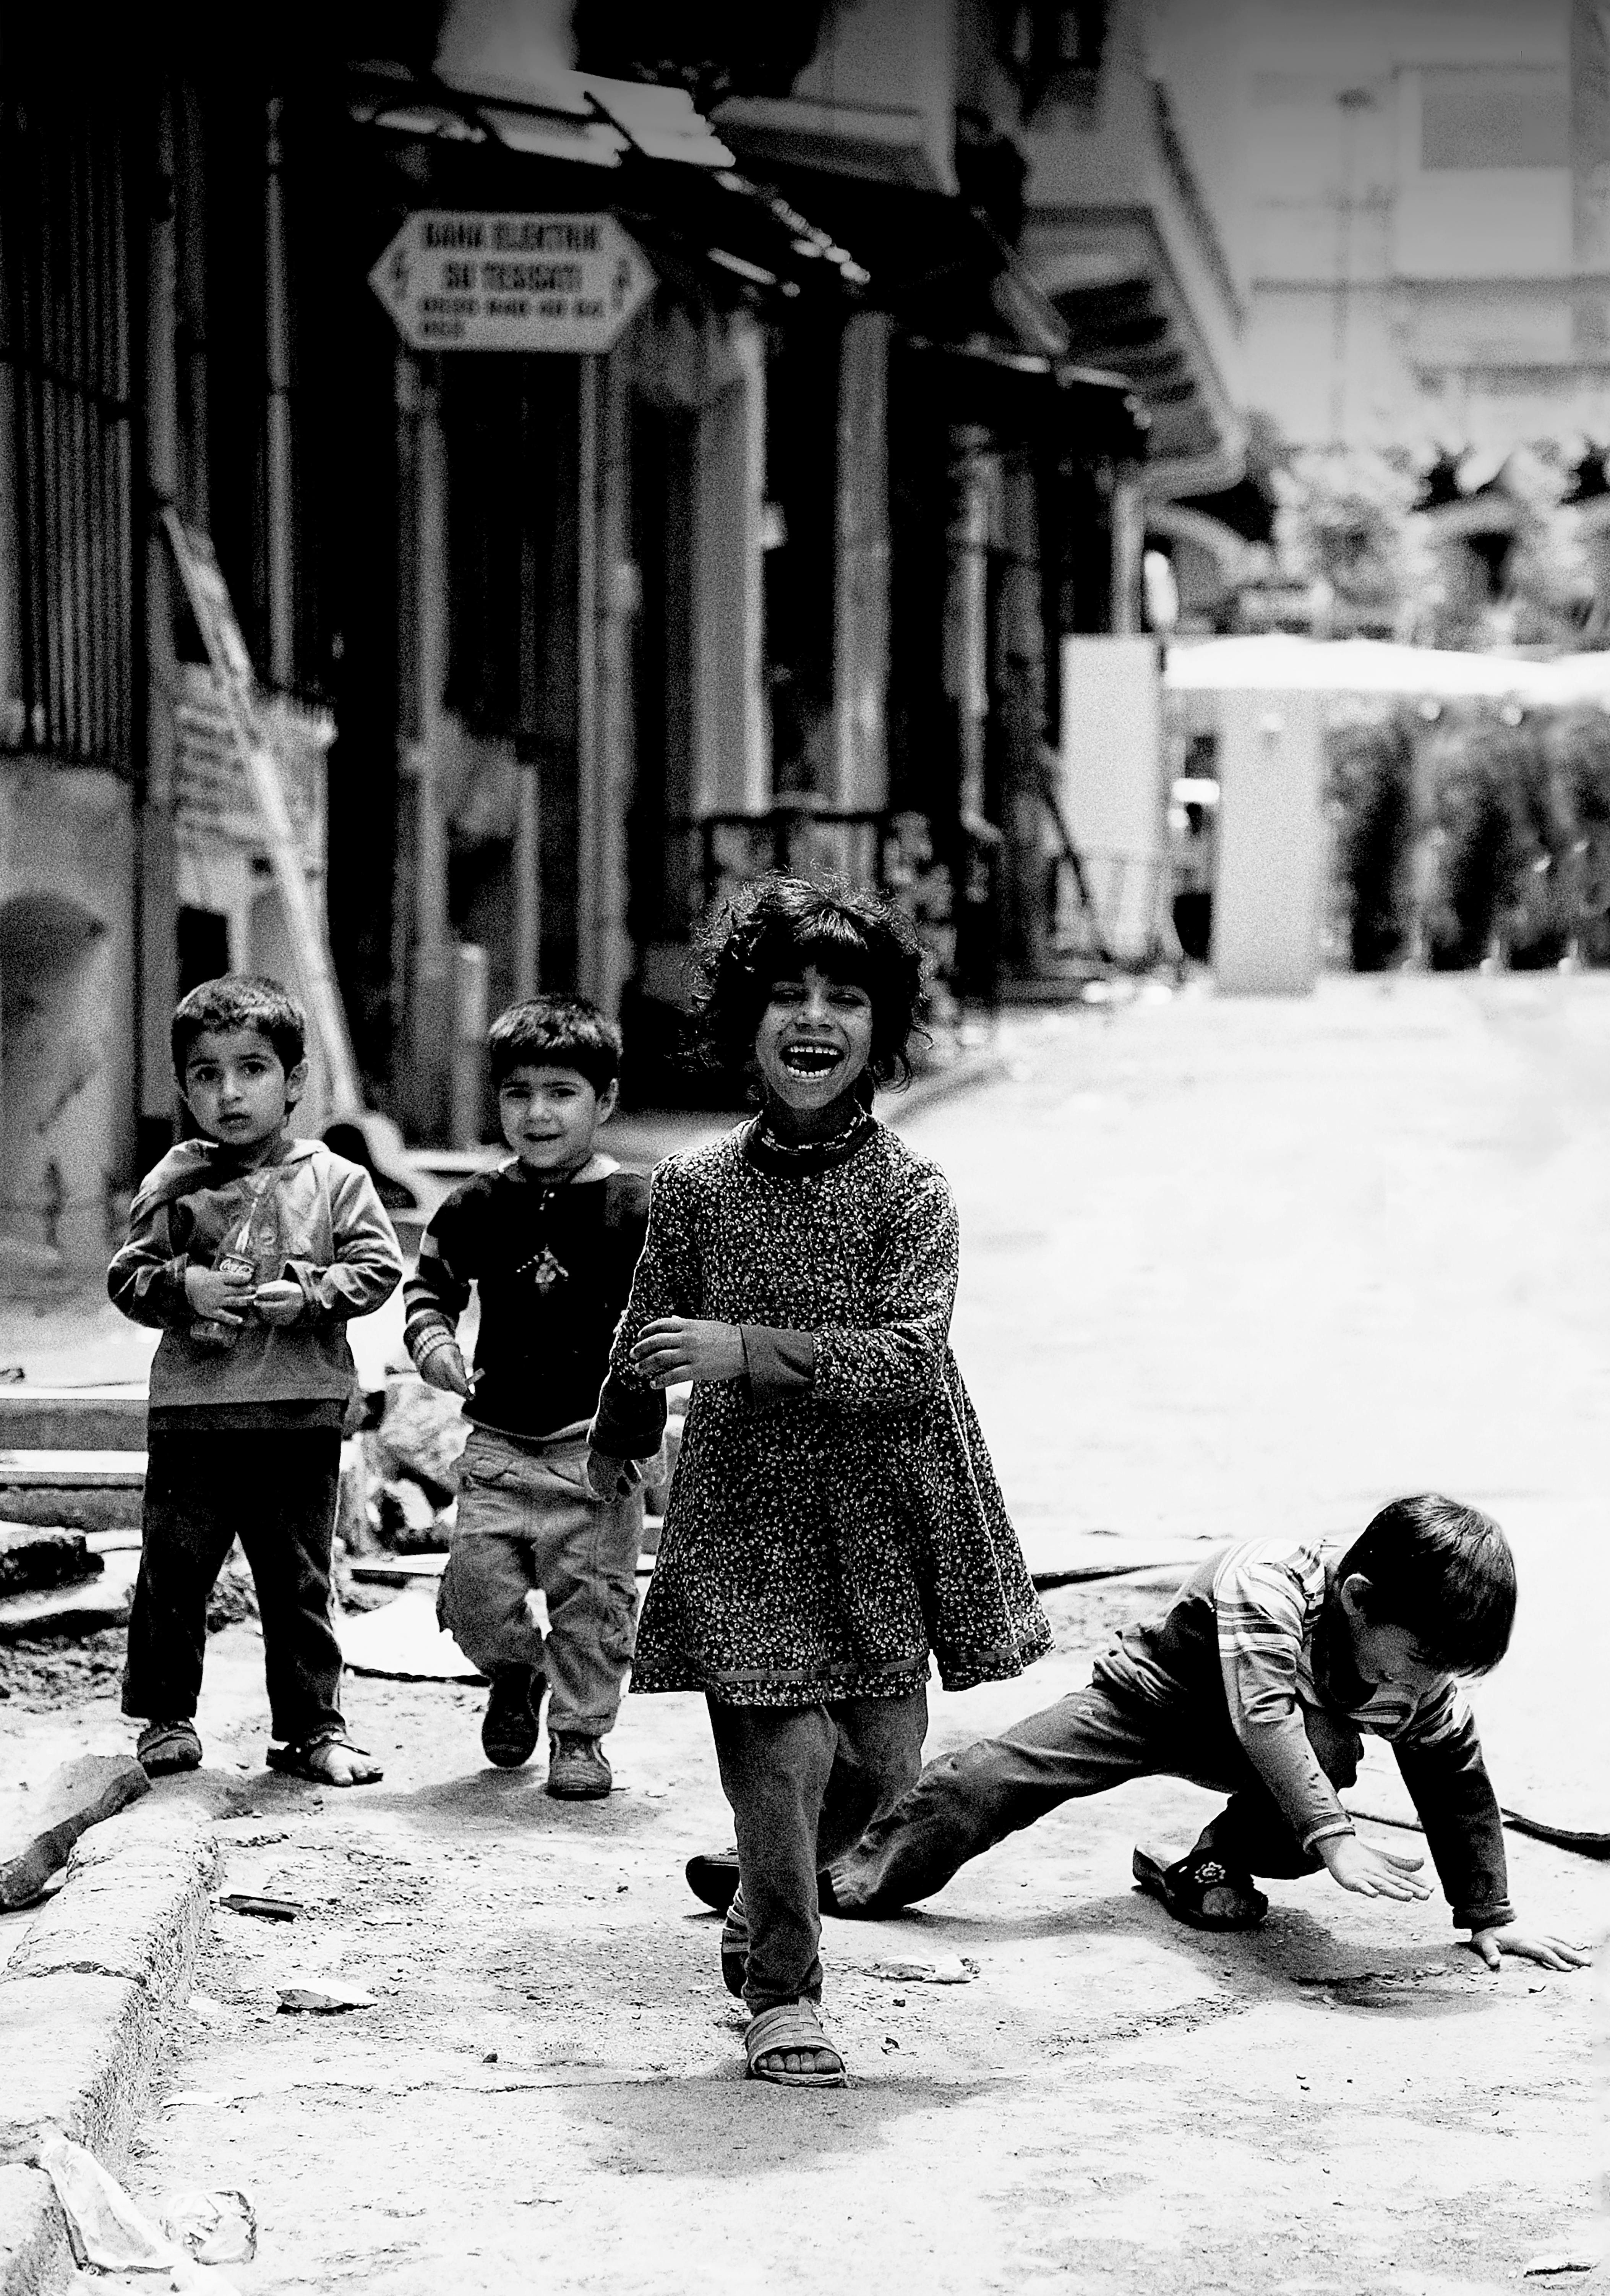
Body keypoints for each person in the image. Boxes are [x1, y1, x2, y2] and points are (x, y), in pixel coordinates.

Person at [586, 877, 1051, 2087]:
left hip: (883, 1509)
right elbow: (648, 1323)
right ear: (744, 1020)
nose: (814, 1018)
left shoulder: (912, 1194)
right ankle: (784, 1992)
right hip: (743, 1506)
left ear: (881, 1034)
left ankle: (759, 1892)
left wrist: (747, 1348)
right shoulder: (692, 1187)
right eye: (786, 992)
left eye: (845, 998)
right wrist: (618, 1439)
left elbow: (908, 1360)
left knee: (882, 1769)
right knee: (777, 1758)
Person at [719, 1496, 1581, 1974]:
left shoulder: (1414, 1682)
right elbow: (1263, 1712)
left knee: (1327, 1752)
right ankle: (822, 1870)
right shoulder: (1271, 1579)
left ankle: (1211, 1861)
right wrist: (1336, 1838)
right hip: (1149, 1700)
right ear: (1356, 1597)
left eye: (1448, 1670)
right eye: (1423, 1656)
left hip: (1270, 1751)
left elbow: (1456, 1778)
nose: (1427, 1682)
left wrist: (1487, 1911)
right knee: (990, 1777)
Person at [108, 974, 403, 1785]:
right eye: (207, 1073)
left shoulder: (333, 1177)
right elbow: (127, 1276)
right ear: (184, 1087)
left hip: (298, 1414)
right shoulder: (174, 1178)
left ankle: (312, 1728)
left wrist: (309, 1294)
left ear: (295, 1080)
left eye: (253, 1068)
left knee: (298, 1577)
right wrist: (182, 1287)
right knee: (174, 1572)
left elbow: (380, 1267)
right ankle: (166, 1717)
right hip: (193, 1418)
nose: (230, 1091)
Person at [404, 998, 653, 1800]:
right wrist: (435, 1343)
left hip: (595, 1452)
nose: (538, 1112)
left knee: (593, 1606)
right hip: (497, 1447)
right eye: (518, 1093)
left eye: (562, 1092)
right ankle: (514, 1670)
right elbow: (428, 1288)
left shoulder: (636, 1208)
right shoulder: (476, 1203)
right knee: (475, 1594)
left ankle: (579, 1736)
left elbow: (672, 1309)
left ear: (604, 1100)